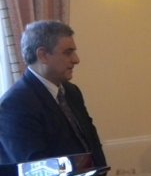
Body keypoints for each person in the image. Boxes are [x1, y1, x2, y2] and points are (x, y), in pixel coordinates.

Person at [0, 20, 107, 168]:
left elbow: (91, 142)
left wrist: (100, 175)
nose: (76, 60)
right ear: (43, 55)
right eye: (68, 52)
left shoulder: (72, 91)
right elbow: (34, 168)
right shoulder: (14, 105)